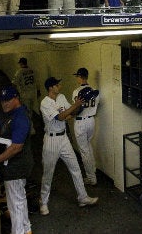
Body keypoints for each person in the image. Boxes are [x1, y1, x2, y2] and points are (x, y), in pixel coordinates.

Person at [39, 77, 98, 216]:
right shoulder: (45, 103)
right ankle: (43, 201)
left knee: (76, 168)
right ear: (50, 88)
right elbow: (60, 117)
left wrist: (80, 104)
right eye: (57, 84)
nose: (59, 85)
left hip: (64, 138)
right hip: (51, 140)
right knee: (48, 173)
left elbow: (70, 112)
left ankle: (82, 197)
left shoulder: (61, 97)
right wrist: (75, 106)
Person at [0, 85, 34, 234]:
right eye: (2, 101)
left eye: (8, 100)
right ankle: (26, 230)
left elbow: (16, 147)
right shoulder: (9, 113)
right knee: (19, 200)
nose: (4, 104)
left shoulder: (20, 117)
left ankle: (19, 231)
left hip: (16, 167)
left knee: (15, 204)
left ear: (16, 98)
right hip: (10, 166)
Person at [71, 68, 99, 186]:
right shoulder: (94, 90)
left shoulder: (77, 91)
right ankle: (93, 170)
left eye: (77, 76)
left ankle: (91, 178)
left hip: (81, 122)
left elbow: (75, 108)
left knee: (84, 151)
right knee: (88, 146)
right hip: (91, 120)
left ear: (80, 77)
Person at [12, 57, 38, 134]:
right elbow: (37, 81)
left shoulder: (19, 72)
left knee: (26, 111)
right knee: (31, 111)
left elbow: (14, 83)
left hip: (25, 94)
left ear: (21, 63)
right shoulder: (32, 70)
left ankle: (30, 129)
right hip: (33, 93)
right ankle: (31, 127)